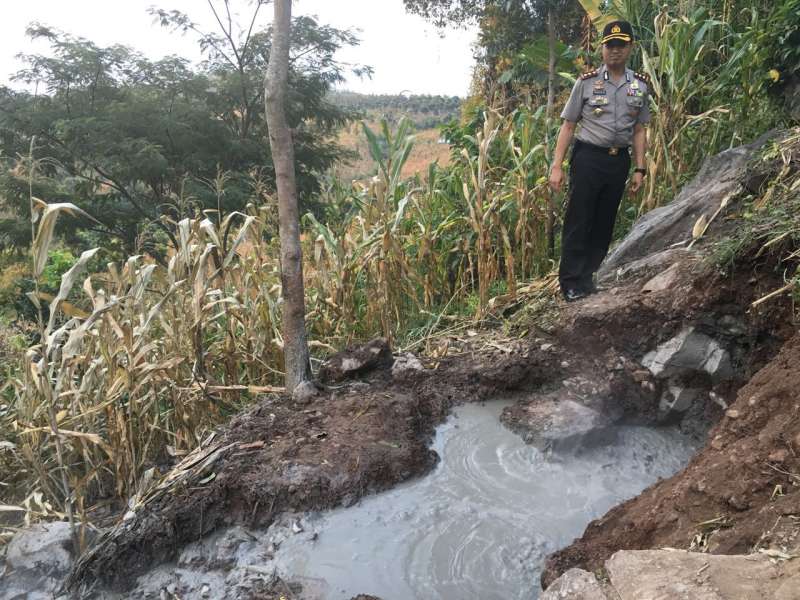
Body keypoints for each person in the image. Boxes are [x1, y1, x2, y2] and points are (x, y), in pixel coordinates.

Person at [549, 20, 650, 302]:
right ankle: (570, 282)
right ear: (602, 49)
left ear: (630, 48)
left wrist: (640, 168)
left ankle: (587, 278)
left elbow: (640, 130)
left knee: (604, 221)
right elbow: (568, 126)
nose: (615, 50)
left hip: (619, 162)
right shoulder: (586, 83)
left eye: (621, 45)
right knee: (579, 219)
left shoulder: (639, 85)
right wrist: (556, 166)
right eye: (610, 45)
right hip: (588, 159)